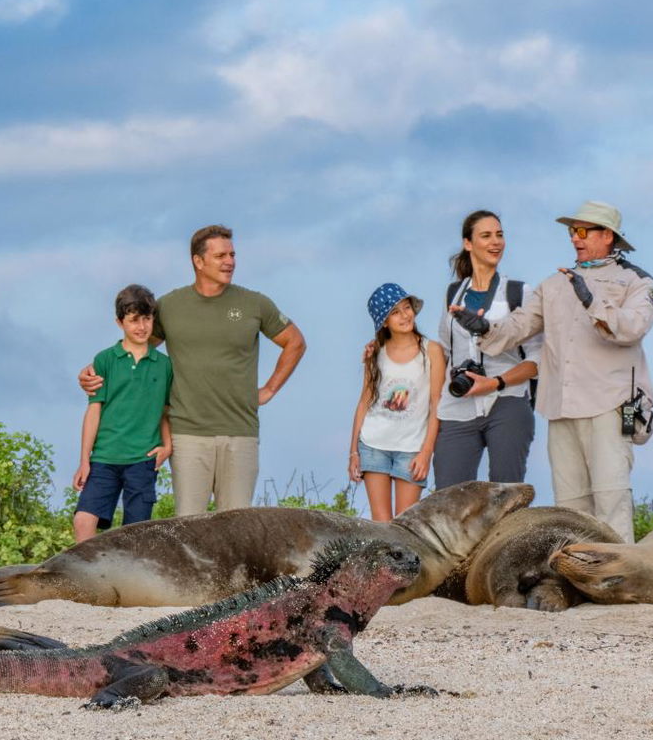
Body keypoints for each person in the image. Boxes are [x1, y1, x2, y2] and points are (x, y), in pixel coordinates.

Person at [453, 201, 653, 542]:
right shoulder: (554, 284)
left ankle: (622, 580)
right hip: (560, 405)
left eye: (582, 231)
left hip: (610, 403)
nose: (575, 239)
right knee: (571, 505)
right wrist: (483, 328)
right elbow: (518, 327)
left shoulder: (636, 281)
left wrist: (592, 299)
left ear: (607, 236)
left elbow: (633, 328)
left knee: (611, 496)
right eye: (571, 231)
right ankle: (581, 578)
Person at [79, 225, 306, 515]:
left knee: (237, 528)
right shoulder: (170, 306)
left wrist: (270, 388)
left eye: (233, 254)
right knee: (188, 527)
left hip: (240, 432)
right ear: (198, 261)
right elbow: (135, 348)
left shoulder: (254, 303)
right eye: (221, 255)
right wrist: (93, 370)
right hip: (188, 434)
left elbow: (295, 342)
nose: (230, 261)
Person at [434, 210, 542, 488]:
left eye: (500, 234)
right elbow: (445, 351)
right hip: (457, 405)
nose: (496, 242)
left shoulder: (519, 292)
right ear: (468, 243)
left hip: (507, 399)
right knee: (448, 497)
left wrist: (495, 382)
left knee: (506, 494)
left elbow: (537, 360)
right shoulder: (452, 293)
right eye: (486, 235)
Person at [71, 285, 174, 542]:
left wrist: (167, 446)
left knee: (136, 536)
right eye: (134, 320)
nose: (142, 327)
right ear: (120, 322)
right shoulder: (105, 360)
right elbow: (94, 410)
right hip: (105, 458)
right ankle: (89, 582)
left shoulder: (164, 366)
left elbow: (164, 410)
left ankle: (128, 583)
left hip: (142, 460)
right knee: (83, 521)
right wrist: (85, 460)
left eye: (147, 319)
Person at [349, 283, 445, 521]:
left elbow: (437, 404)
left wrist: (426, 453)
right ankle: (380, 562)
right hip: (373, 445)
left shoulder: (431, 351)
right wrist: (353, 452)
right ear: (384, 321)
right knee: (380, 524)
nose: (405, 315)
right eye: (395, 312)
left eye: (407, 308)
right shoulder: (375, 353)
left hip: (412, 449)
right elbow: (364, 403)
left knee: (405, 525)